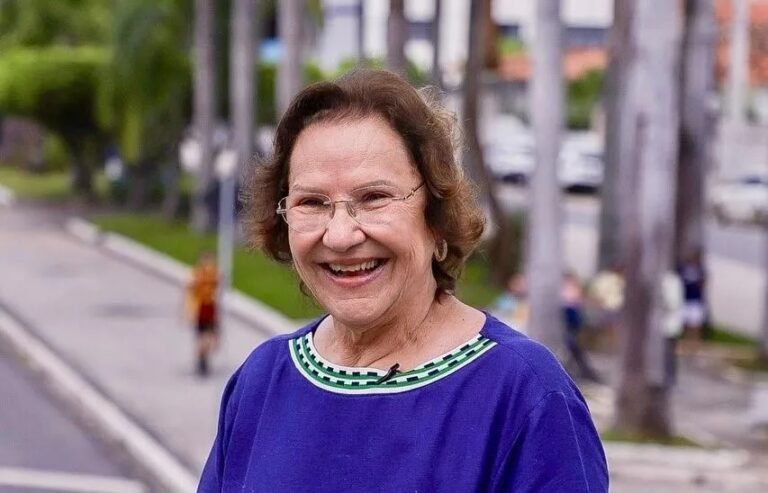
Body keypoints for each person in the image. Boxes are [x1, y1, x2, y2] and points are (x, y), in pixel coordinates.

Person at [198, 70, 608, 492]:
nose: (340, 236)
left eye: (374, 197)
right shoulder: (262, 383)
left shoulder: (524, 395)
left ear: (435, 215)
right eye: (312, 202)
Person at [562, 272, 601, 383]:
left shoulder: (572, 291)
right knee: (573, 350)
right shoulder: (566, 292)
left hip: (572, 327)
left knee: (574, 349)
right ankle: (584, 372)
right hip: (567, 328)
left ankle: (585, 373)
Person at [185, 252, 219, 376]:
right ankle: (202, 360)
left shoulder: (213, 275)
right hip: (201, 309)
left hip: (210, 309)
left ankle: (203, 358)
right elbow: (190, 293)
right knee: (202, 337)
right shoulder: (197, 275)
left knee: (209, 337)